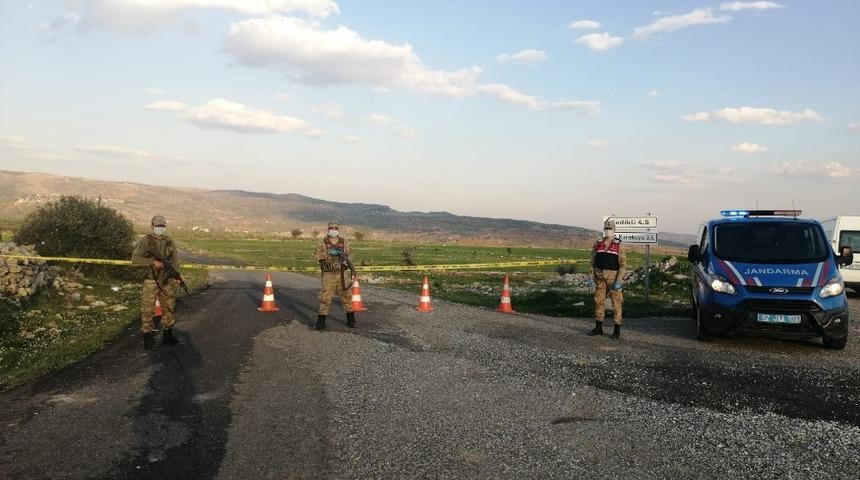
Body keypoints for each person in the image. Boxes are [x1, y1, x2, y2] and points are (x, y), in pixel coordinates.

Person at [131, 215, 182, 349]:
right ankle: (148, 339)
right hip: (151, 280)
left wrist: (177, 276)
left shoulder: (169, 241)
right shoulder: (146, 241)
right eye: (158, 226)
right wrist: (152, 262)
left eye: (162, 226)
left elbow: (175, 261)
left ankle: (168, 336)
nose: (160, 228)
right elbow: (135, 258)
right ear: (152, 226)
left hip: (167, 279)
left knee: (169, 307)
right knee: (148, 310)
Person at [312, 222, 356, 330]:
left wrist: (346, 263)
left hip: (342, 274)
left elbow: (350, 255)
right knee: (325, 297)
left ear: (338, 229)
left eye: (335, 228)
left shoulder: (344, 242)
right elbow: (315, 256)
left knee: (347, 296)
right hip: (328, 274)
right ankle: (321, 322)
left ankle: (351, 321)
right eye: (331, 228)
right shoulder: (322, 242)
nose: (333, 230)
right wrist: (326, 254)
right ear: (328, 229)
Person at [588, 219, 626, 339]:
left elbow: (623, 265)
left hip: (613, 279)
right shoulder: (598, 243)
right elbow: (592, 262)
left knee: (617, 304)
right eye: (606, 228)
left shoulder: (618, 245)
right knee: (598, 302)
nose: (608, 230)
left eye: (610, 228)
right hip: (600, 278)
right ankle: (598, 328)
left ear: (614, 230)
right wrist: (590, 276)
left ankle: (616, 330)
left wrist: (619, 280)